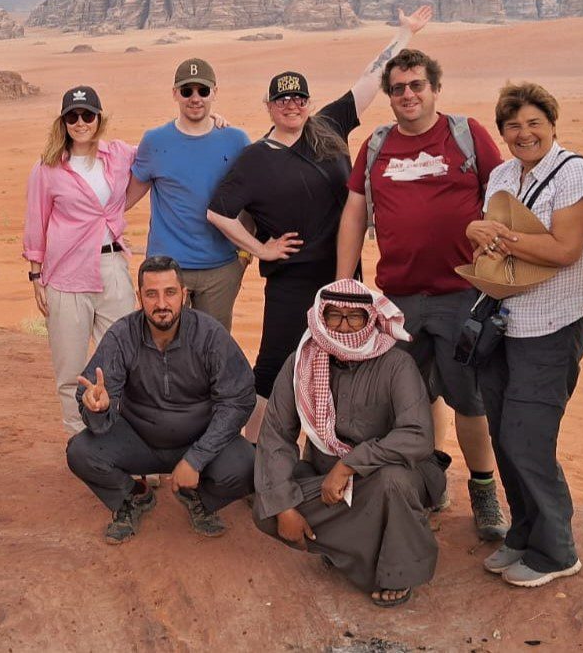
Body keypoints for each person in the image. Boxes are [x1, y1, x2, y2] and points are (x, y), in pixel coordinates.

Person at [208, 5, 435, 431]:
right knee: (274, 367)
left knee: (341, 363)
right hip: (291, 280)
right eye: (282, 99)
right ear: (269, 106)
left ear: (308, 103)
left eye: (298, 98)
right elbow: (217, 213)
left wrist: (405, 35)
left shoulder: (328, 125)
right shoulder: (253, 160)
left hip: (343, 276)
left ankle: (328, 452)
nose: (291, 106)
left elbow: (370, 80)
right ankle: (257, 456)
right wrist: (259, 248)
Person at [335, 45, 509, 542]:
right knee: (410, 399)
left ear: (434, 88)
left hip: (461, 294)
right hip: (399, 298)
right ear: (388, 96)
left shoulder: (466, 135)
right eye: (398, 88)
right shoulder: (376, 146)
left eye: (416, 86)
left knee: (469, 400)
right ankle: (429, 483)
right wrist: (346, 282)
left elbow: (501, 196)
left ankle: (483, 493)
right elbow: (354, 214)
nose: (408, 95)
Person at [467, 82, 583, 588]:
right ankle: (523, 535)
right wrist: (475, 231)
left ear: (552, 123)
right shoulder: (504, 174)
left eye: (533, 123)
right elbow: (484, 234)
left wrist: (497, 236)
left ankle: (556, 550)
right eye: (513, 125)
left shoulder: (576, 175)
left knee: (529, 437)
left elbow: (565, 249)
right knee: (504, 435)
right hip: (504, 322)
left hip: (553, 324)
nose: (523, 133)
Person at [253, 279, 449, 608]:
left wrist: (349, 465)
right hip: (325, 477)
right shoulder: (301, 361)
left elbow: (417, 435)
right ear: (320, 317)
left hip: (397, 473)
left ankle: (395, 570)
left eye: (354, 317)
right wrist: (284, 507)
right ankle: (356, 546)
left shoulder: (396, 364)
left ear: (370, 319)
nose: (343, 327)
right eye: (334, 316)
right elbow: (275, 436)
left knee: (390, 483)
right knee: (268, 510)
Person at [65, 256, 256, 544]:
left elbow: (239, 400)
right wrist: (97, 407)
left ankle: (199, 499)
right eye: (151, 294)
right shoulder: (122, 334)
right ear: (138, 296)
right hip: (139, 440)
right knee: (80, 451)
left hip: (198, 439)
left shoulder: (210, 335)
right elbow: (94, 392)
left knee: (247, 464)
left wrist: (197, 457)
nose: (161, 304)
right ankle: (132, 497)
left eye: (169, 292)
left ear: (184, 294)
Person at [24, 86, 140, 434]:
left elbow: (162, 152)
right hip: (65, 275)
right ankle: (79, 443)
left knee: (125, 362)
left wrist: (215, 121)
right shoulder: (47, 169)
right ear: (63, 122)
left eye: (87, 115)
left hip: (112, 268)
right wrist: (35, 276)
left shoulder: (119, 154)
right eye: (72, 116)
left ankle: (123, 442)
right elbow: (36, 222)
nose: (80, 123)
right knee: (71, 368)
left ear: (99, 118)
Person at [130, 59, 251, 329]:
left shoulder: (235, 140)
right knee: (162, 346)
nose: (195, 98)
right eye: (187, 91)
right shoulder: (155, 141)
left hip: (221, 270)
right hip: (167, 271)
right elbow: (124, 198)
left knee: (213, 349)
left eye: (203, 91)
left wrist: (244, 255)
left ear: (214, 93)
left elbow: (254, 199)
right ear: (175, 93)